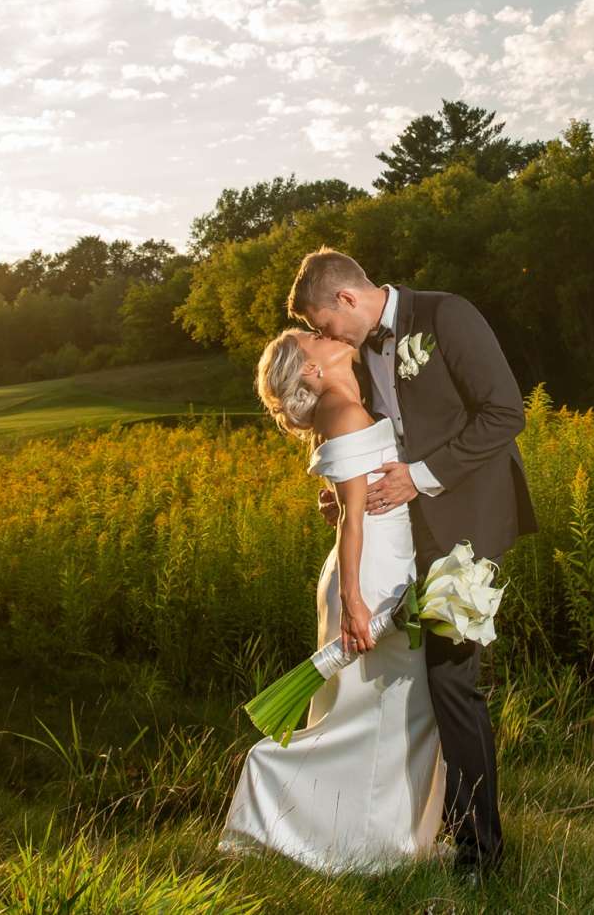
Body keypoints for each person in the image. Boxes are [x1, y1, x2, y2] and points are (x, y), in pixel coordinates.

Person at [286, 248, 537, 883]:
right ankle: (432, 824)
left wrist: (419, 478)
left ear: (347, 299)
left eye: (325, 324)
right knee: (423, 685)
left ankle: (482, 853)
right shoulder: (361, 350)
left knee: (454, 683)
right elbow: (377, 437)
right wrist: (349, 491)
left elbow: (506, 413)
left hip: (470, 525)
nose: (326, 339)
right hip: (406, 534)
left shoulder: (448, 316)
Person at [217, 325, 446, 874]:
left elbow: (352, 503)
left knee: (388, 712)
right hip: (367, 579)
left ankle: (381, 845)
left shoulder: (346, 406)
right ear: (312, 370)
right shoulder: (342, 411)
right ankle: (288, 802)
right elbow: (349, 518)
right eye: (311, 338)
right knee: (377, 710)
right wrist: (354, 603)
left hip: (375, 567)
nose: (324, 335)